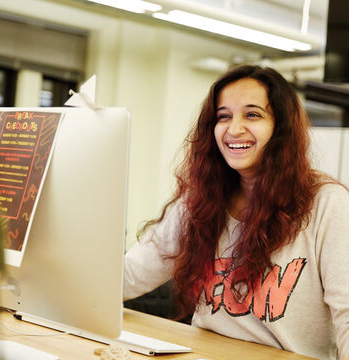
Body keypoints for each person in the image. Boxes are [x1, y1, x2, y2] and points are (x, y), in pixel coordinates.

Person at [124, 65, 349, 360]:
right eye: (224, 116)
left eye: (252, 114)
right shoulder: (200, 201)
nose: (234, 128)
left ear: (281, 127)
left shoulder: (328, 203)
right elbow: (129, 276)